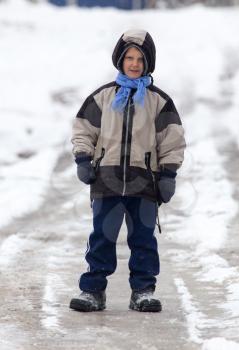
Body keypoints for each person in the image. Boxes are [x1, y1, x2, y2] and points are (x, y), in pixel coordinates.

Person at [69, 29, 185, 313]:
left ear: (148, 63)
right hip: (106, 180)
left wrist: (168, 175)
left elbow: (172, 140)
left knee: (144, 239)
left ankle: (143, 291)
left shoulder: (159, 102)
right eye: (129, 58)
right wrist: (84, 159)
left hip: (144, 181)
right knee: (102, 236)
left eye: (140, 59)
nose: (134, 64)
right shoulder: (103, 97)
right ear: (119, 60)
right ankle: (92, 290)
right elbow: (83, 129)